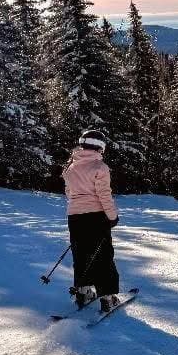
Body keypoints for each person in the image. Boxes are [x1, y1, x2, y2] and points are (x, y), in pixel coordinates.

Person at [61, 129, 122, 311]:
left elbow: (68, 193)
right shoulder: (100, 167)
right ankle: (107, 297)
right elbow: (104, 195)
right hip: (96, 217)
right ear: (100, 147)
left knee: (81, 254)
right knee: (102, 256)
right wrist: (112, 216)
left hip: (75, 217)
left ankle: (83, 292)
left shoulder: (70, 168)